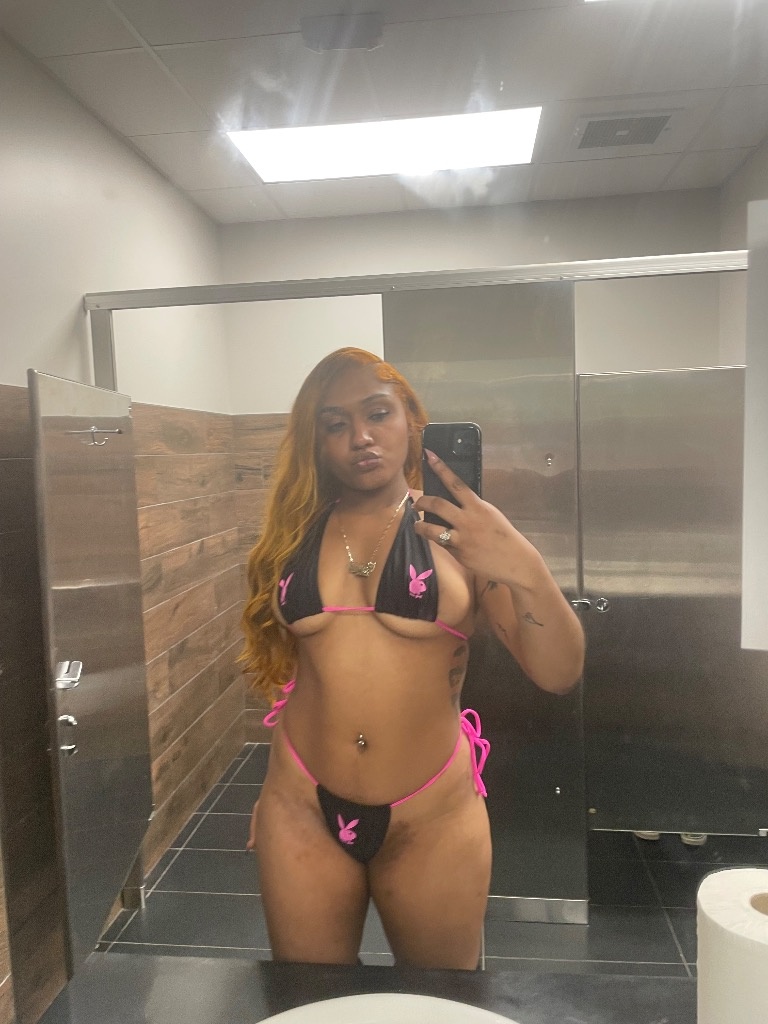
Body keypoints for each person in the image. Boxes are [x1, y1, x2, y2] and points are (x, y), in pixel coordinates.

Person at [240, 347, 584, 970]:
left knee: (438, 1001)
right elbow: (307, 672)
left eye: (378, 414)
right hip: (300, 805)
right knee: (310, 999)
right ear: (316, 442)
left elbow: (559, 672)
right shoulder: (294, 534)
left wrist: (525, 567)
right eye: (336, 424)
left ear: (411, 421)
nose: (361, 437)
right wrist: (273, 792)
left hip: (432, 815)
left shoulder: (462, 534)